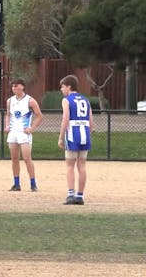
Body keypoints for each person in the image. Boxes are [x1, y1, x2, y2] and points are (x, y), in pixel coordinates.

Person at [58, 74, 93, 205]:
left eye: (62, 86)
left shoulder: (67, 100)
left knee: (69, 165)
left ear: (69, 86)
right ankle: (80, 196)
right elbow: (91, 120)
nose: (61, 89)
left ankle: (70, 194)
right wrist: (89, 133)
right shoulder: (86, 100)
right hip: (85, 133)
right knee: (82, 165)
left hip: (73, 134)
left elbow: (65, 119)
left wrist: (61, 137)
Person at [4, 78, 43, 192]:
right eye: (13, 86)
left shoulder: (30, 101)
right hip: (13, 133)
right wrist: (7, 126)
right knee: (14, 158)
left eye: (16, 86)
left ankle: (33, 183)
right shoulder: (10, 101)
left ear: (22, 87)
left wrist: (31, 128)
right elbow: (8, 115)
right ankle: (16, 184)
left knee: (27, 158)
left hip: (23, 133)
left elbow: (39, 116)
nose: (14, 88)